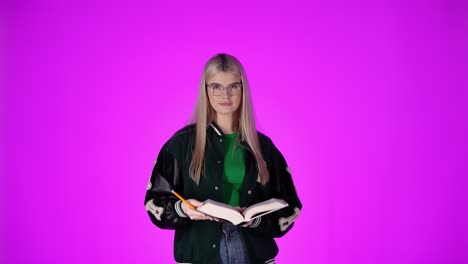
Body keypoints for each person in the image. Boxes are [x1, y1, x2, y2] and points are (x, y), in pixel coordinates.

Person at [144, 53, 302, 264]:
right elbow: (154, 203)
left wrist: (256, 221)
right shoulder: (181, 144)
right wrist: (184, 210)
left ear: (243, 88)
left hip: (253, 250)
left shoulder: (263, 147)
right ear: (206, 90)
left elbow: (291, 205)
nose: (225, 95)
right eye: (216, 87)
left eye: (233, 86)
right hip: (200, 252)